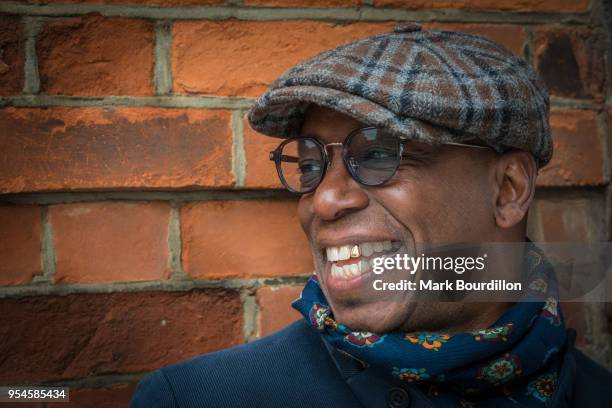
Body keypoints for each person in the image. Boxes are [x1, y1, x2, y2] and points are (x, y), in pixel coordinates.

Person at [130, 23, 611, 407]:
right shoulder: (199, 399)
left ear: (508, 190)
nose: (325, 200)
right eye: (313, 163)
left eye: (379, 155)